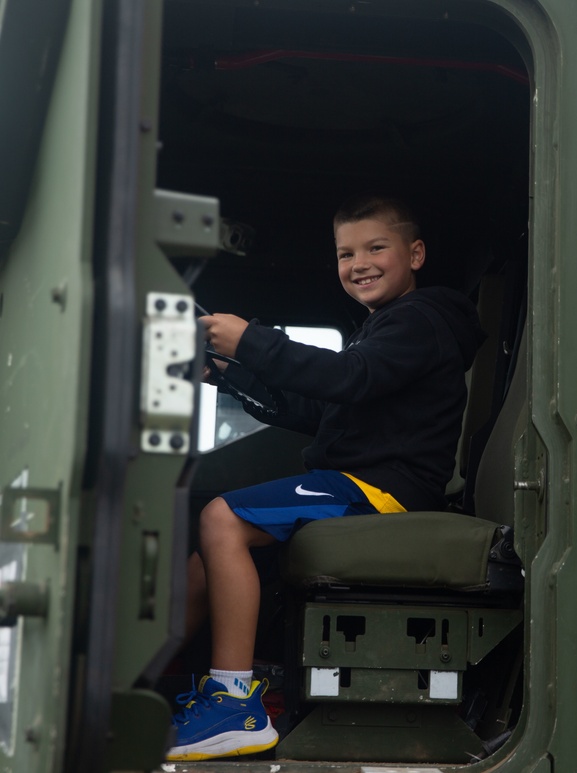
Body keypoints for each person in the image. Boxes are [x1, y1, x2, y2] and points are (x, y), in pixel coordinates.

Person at [165, 195, 485, 761]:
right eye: (345, 253)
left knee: (222, 517)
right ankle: (151, 692)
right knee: (202, 560)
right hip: (361, 480)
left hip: (383, 490)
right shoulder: (384, 329)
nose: (358, 263)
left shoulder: (419, 321)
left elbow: (346, 376)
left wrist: (255, 342)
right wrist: (231, 373)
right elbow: (322, 409)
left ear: (415, 254)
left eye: (375, 248)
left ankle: (236, 703)